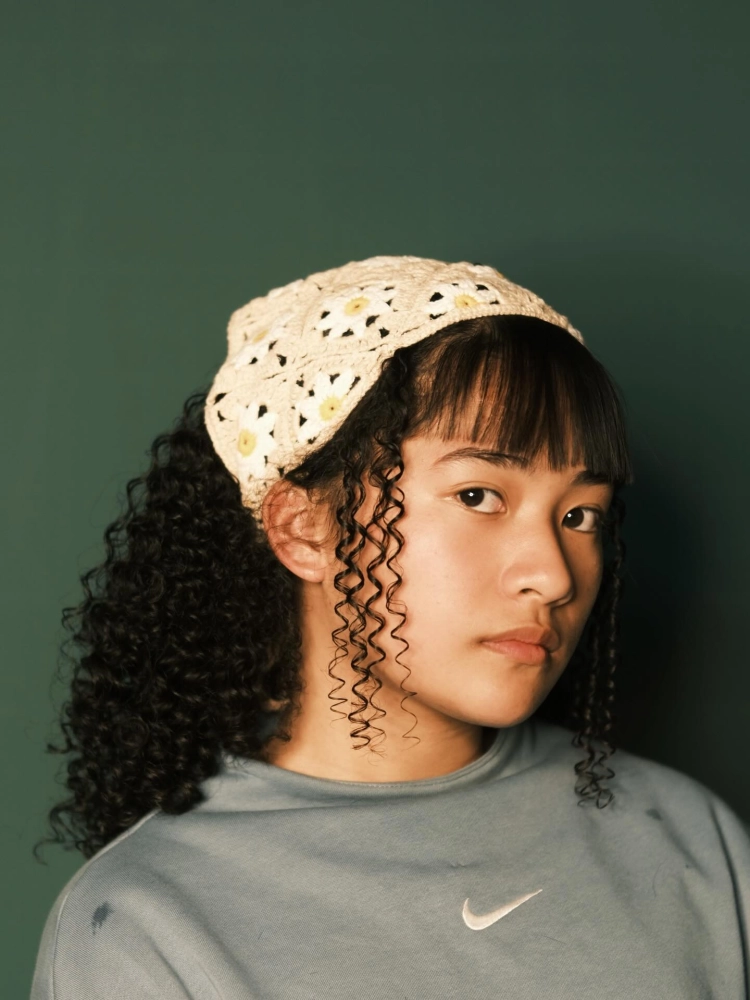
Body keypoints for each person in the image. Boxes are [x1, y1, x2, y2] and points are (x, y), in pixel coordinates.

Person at [31, 256, 750, 998]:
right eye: (478, 496)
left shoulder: (691, 838)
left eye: (579, 515)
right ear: (304, 528)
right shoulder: (146, 925)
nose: (553, 575)